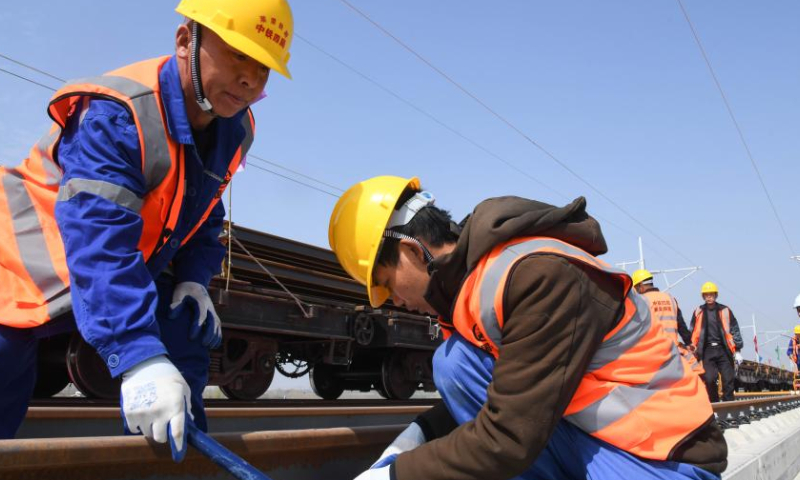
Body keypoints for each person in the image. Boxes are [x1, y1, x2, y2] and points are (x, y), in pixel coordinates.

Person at [0, 0, 294, 461]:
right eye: (238, 54)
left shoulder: (235, 127)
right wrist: (137, 355)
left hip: (111, 263)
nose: (250, 80)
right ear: (185, 41)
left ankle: (170, 464)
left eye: (264, 67)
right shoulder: (119, 114)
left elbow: (202, 211)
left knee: (184, 330)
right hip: (19, 266)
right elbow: (99, 238)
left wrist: (194, 278)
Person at [328, 176, 727, 480]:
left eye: (386, 282)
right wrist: (419, 432)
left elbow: (508, 437)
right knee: (456, 362)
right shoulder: (474, 293)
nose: (394, 300)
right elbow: (508, 394)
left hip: (661, 458)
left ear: (412, 251)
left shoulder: (536, 274)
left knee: (455, 363)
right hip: (603, 443)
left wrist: (395, 476)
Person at [632, 269, 702, 374]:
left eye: (636, 290)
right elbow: (681, 324)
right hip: (673, 350)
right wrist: (689, 343)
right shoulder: (670, 298)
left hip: (653, 351)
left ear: (640, 286)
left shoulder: (641, 301)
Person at [688, 282, 743, 403]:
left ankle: (728, 406)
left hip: (724, 350)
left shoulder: (725, 310)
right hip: (707, 351)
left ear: (715, 295)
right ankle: (715, 404)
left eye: (711, 294)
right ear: (703, 296)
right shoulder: (698, 312)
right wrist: (691, 349)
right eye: (706, 295)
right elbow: (692, 332)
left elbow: (735, 329)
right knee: (709, 379)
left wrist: (738, 350)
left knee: (728, 380)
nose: (709, 297)